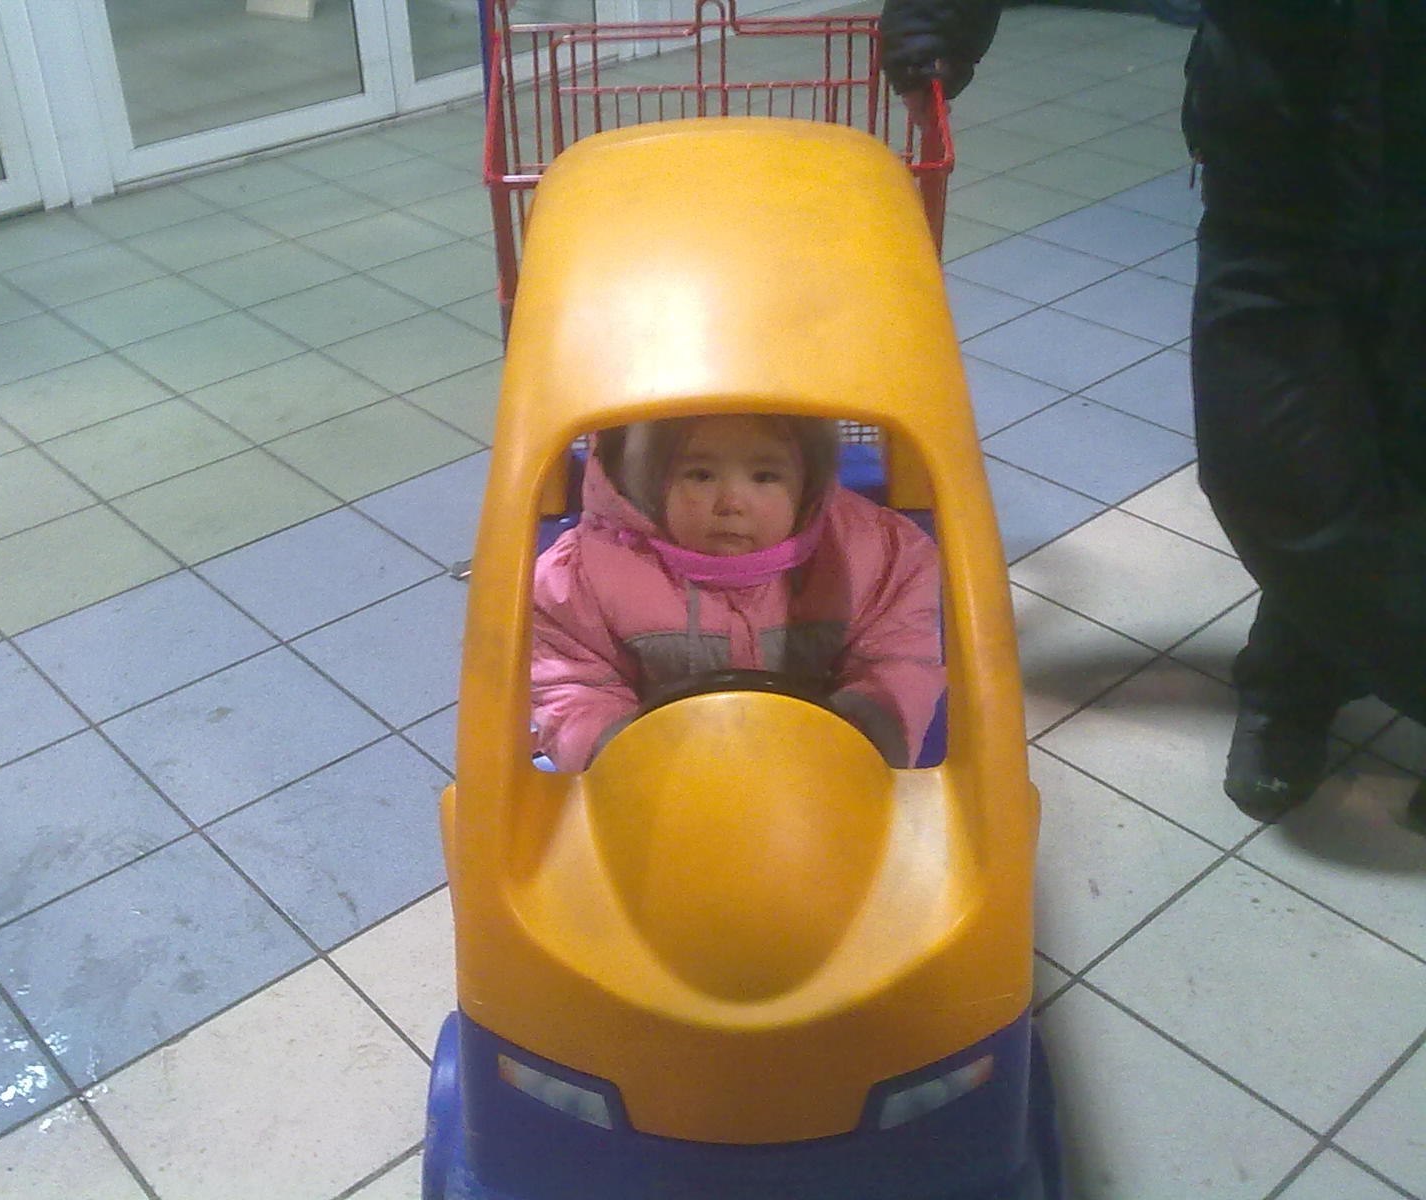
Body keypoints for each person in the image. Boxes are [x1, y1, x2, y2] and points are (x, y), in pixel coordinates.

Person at [879, 0, 1426, 829]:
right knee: (1269, 473)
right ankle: (1327, 668)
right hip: (1280, 168)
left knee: (1402, 454)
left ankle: (1297, 674)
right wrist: (935, 27)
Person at [530, 415, 945, 773]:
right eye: (700, 475)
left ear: (808, 483)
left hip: (822, 776)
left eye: (764, 477)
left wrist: (868, 728)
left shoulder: (874, 557)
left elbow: (896, 658)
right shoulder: (584, 576)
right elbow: (573, 682)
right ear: (649, 480)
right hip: (662, 783)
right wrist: (616, 750)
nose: (731, 503)